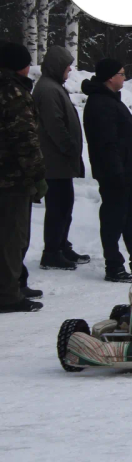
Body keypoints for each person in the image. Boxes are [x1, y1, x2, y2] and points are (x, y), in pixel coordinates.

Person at [82, 59, 132, 282]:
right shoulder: (101, 103)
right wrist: (116, 172)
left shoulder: (110, 100)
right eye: (121, 74)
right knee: (114, 220)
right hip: (114, 174)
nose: (124, 77)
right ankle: (114, 265)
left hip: (125, 172)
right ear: (110, 77)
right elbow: (106, 142)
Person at [32, 45, 88, 270]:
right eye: (67, 66)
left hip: (61, 162)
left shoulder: (54, 86)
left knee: (64, 206)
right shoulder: (47, 89)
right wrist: (69, 147)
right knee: (58, 207)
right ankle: (52, 251)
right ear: (57, 67)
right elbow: (54, 125)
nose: (70, 70)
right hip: (54, 162)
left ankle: (61, 245)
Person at [0, 41, 45, 312]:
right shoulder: (13, 93)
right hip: (12, 177)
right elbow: (25, 140)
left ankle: (13, 284)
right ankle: (8, 294)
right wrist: (37, 176)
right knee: (12, 237)